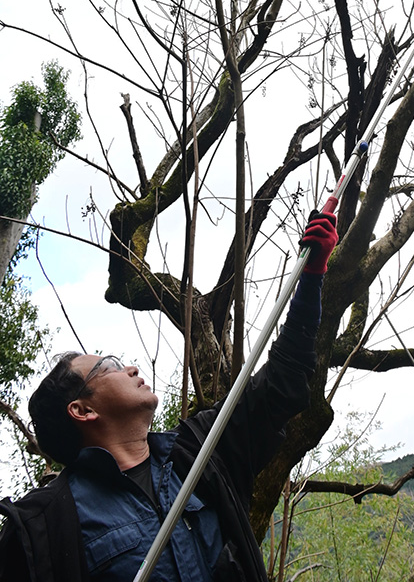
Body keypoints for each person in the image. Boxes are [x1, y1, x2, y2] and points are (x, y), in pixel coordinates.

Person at [0, 212, 337, 582]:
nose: (130, 368)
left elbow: (282, 383)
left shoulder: (202, 452)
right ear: (82, 409)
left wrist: (312, 276)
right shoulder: (42, 528)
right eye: (109, 366)